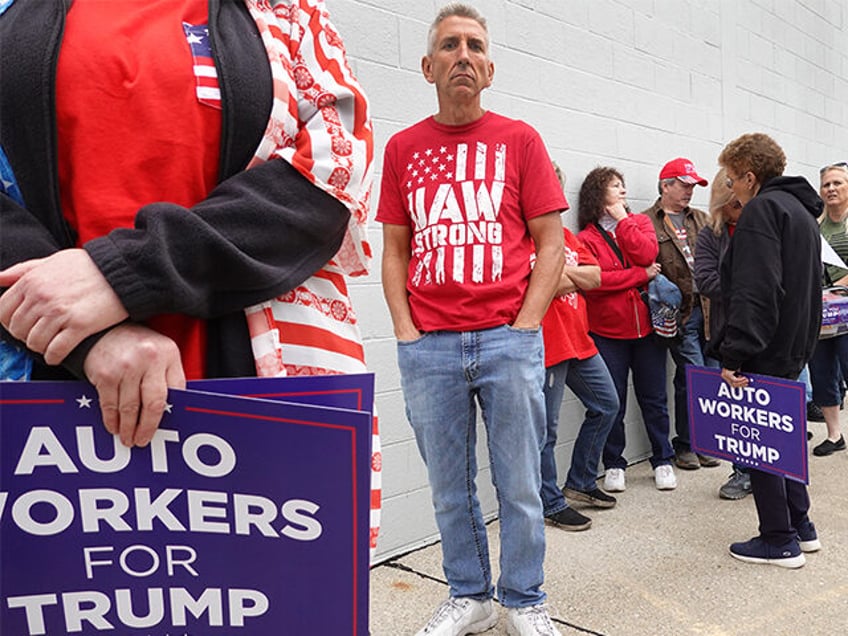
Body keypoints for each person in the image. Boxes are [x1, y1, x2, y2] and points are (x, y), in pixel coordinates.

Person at [0, 0, 382, 551]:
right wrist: (89, 338)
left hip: (258, 383)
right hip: (49, 385)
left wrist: (124, 274)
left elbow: (336, 168)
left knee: (272, 604)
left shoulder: (288, 13)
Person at [377, 4, 564, 635]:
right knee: (449, 488)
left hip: (508, 340)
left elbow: (550, 242)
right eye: (449, 45)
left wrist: (526, 325)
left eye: (475, 46)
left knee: (520, 484)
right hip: (429, 345)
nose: (463, 54)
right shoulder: (403, 148)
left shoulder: (520, 140)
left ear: (489, 68)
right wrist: (405, 332)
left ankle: (524, 598)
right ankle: (469, 593)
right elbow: (395, 250)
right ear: (428, 65)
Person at [716, 132, 822, 568]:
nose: (729, 188)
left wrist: (733, 354)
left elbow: (756, 291)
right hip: (793, 347)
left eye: (731, 179)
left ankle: (778, 539)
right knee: (787, 439)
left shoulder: (762, 210)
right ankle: (802, 526)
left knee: (759, 443)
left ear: (750, 176)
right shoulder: (799, 212)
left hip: (765, 348)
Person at [577, 167, 678, 493]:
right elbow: (596, 284)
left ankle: (663, 459)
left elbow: (648, 254)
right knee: (613, 402)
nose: (623, 191)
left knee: (654, 398)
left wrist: (623, 220)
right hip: (607, 333)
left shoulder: (640, 224)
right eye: (614, 187)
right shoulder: (585, 239)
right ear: (597, 194)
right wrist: (640, 275)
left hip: (648, 330)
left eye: (623, 186)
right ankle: (614, 464)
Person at [539, 163, 619, 532]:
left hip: (579, 340)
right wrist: (572, 279)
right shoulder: (526, 238)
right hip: (547, 345)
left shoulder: (569, 239)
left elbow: (596, 277)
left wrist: (563, 276)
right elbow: (546, 287)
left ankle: (581, 483)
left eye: (556, 185)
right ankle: (549, 502)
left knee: (607, 405)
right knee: (546, 429)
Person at [641, 157, 720, 471]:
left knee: (709, 378)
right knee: (693, 377)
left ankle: (703, 442)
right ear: (666, 185)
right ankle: (687, 444)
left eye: (693, 186)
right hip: (680, 312)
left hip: (711, 310)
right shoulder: (646, 222)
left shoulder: (701, 219)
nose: (690, 191)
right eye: (684, 185)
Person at [694, 168, 750, 499]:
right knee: (738, 405)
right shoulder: (710, 235)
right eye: (734, 205)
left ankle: (775, 470)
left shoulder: (762, 228)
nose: (741, 209)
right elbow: (705, 280)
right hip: (728, 329)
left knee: (771, 404)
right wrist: (750, 288)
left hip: (768, 329)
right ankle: (742, 471)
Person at [808, 162, 848, 457]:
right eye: (826, 185)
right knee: (821, 373)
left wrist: (835, 289)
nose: (831, 189)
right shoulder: (814, 224)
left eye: (837, 183)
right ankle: (834, 435)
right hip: (821, 314)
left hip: (846, 310)